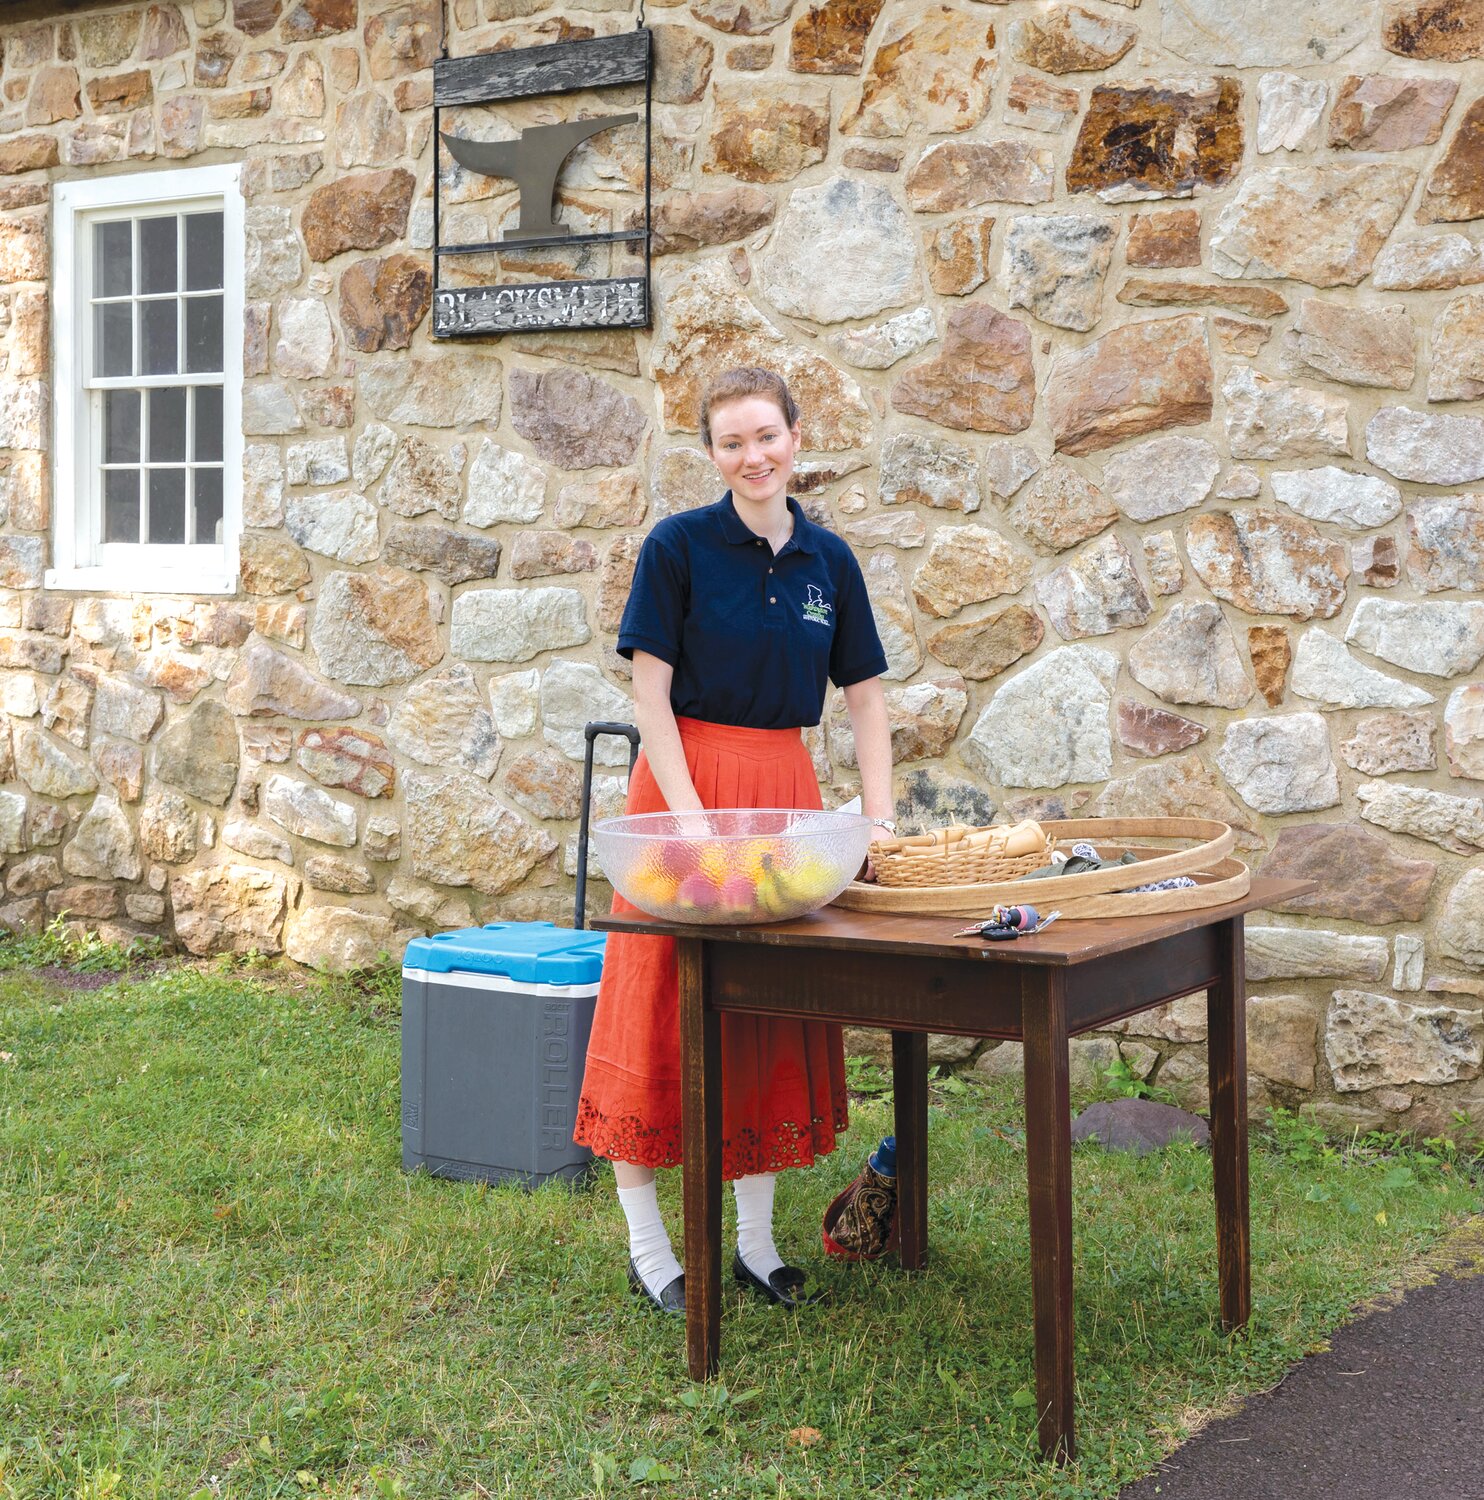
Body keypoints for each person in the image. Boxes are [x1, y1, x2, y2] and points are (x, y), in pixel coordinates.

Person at [573, 366, 896, 1314]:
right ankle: (650, 1250)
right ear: (711, 454)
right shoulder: (677, 547)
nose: (753, 457)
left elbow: (867, 699)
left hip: (785, 792)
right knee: (656, 1005)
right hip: (684, 792)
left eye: (767, 436)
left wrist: (874, 820)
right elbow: (649, 696)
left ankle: (754, 1242)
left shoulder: (829, 563)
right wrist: (690, 821)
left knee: (764, 1008)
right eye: (731, 442)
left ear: (797, 436)